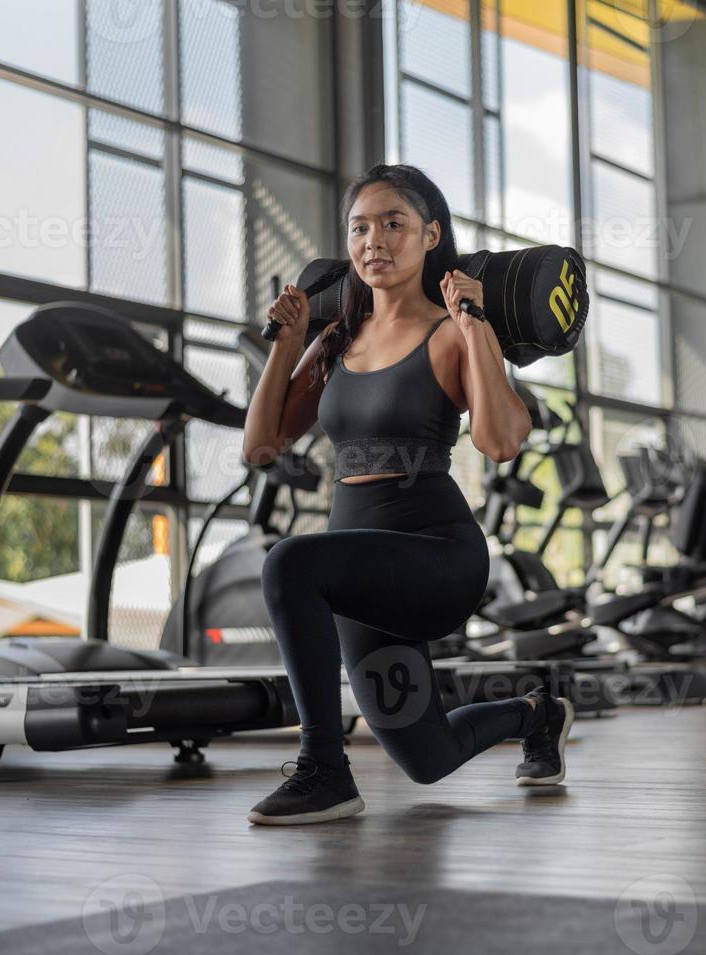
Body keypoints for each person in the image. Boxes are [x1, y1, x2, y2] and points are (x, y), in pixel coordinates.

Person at [240, 163, 574, 826]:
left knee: (286, 562)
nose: (374, 240)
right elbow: (261, 448)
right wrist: (286, 344)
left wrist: (477, 324)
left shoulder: (451, 332)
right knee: (428, 756)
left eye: (394, 224)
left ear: (431, 236)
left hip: (436, 559)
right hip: (363, 574)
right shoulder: (336, 341)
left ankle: (324, 772)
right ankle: (538, 714)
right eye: (360, 227)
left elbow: (501, 442)